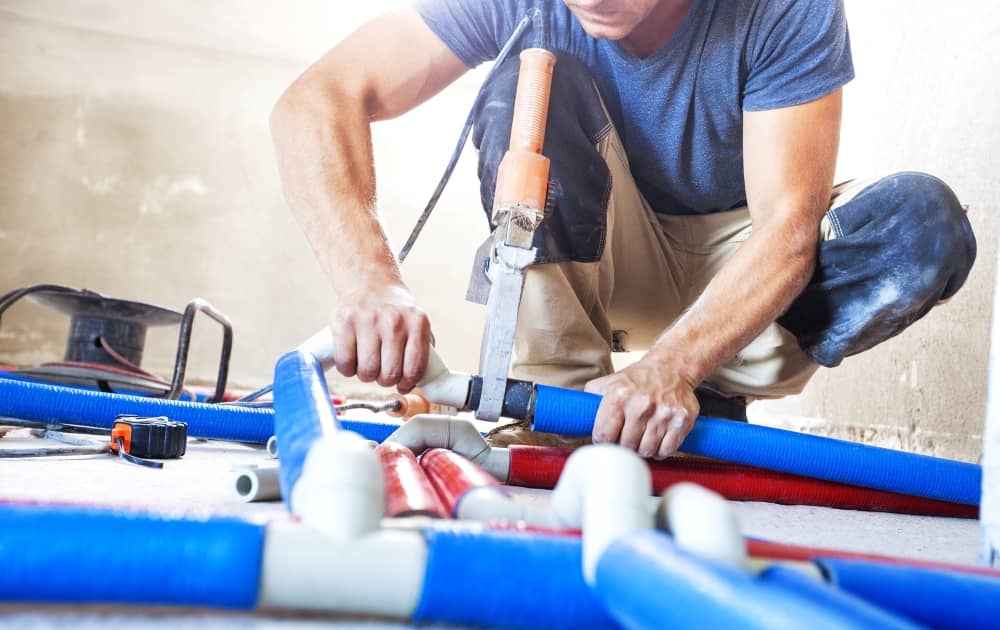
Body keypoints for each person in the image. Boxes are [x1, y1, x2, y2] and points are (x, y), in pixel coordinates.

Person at [269, 0, 976, 460]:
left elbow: (788, 229)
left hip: (747, 271)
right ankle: (557, 409)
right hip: (613, 253)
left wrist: (674, 367)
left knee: (920, 227)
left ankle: (702, 386)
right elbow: (317, 99)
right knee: (528, 90)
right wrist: (372, 283)